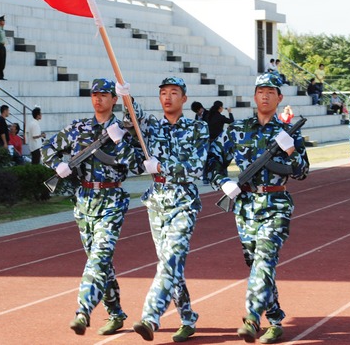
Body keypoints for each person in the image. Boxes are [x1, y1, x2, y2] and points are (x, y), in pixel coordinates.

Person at [209, 71, 309, 344]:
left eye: (270, 92)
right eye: (261, 92)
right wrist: (223, 183)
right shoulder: (237, 129)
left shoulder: (288, 132)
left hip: (276, 204)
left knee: (265, 259)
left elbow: (302, 172)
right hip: (245, 206)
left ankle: (252, 317)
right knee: (256, 266)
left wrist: (291, 150)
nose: (265, 96)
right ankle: (275, 319)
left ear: (279, 98)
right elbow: (213, 162)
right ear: (254, 97)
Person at [42, 78, 144, 337]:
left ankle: (83, 310)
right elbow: (47, 149)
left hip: (112, 199)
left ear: (114, 99)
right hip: (84, 200)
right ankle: (116, 313)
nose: (98, 99)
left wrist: (121, 141)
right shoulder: (79, 128)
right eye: (94, 94)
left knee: (99, 256)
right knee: (99, 261)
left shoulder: (123, 129)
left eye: (104, 95)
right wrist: (58, 166)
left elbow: (138, 165)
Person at [123, 76, 209, 343]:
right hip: (157, 202)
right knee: (169, 264)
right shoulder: (151, 127)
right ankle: (188, 317)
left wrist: (162, 167)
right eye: (163, 93)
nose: (168, 97)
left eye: (173, 92)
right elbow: (134, 117)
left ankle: (150, 316)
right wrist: (126, 97)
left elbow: (196, 167)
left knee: (171, 258)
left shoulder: (198, 128)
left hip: (183, 201)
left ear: (184, 98)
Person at [204, 100, 234, 182]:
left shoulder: (208, 116)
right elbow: (232, 122)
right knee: (221, 159)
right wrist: (230, 112)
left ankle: (206, 177)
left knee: (208, 159)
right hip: (218, 141)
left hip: (209, 140)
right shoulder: (220, 117)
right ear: (220, 108)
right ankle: (223, 175)